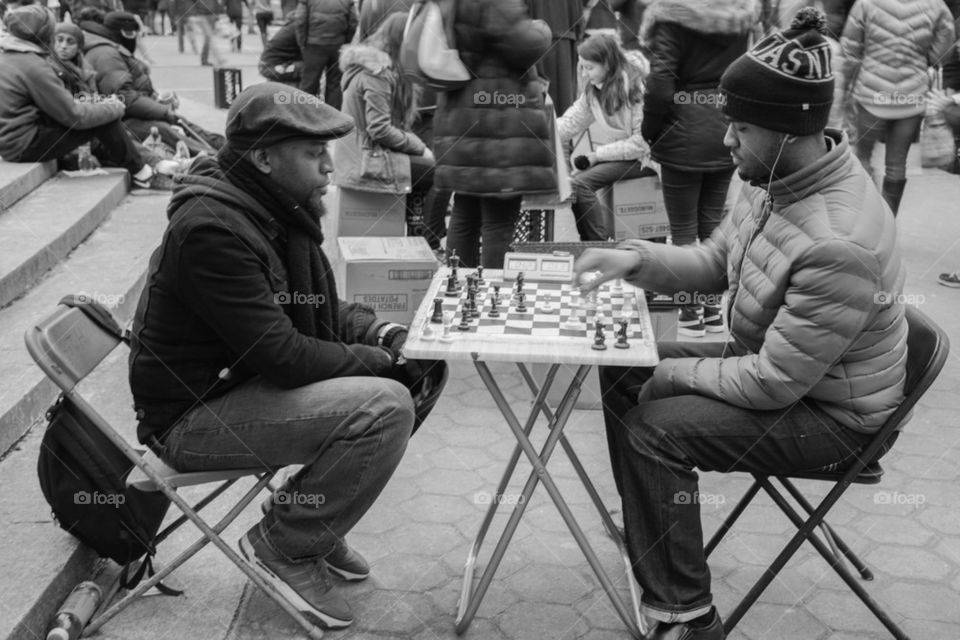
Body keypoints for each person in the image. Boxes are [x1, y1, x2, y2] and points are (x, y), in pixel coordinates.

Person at [577, 9, 907, 639]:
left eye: (741, 126)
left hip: (835, 418)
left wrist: (672, 375)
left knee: (653, 427)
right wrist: (633, 258)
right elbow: (715, 258)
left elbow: (772, 385)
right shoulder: (774, 176)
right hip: (789, 370)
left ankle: (687, 614)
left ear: (789, 131)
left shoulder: (836, 242)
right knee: (622, 358)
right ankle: (654, 529)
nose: (726, 140)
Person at [128, 81, 446, 630]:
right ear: (265, 159)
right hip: (191, 419)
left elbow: (316, 306)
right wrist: (383, 364)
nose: (329, 166)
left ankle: (312, 524)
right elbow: (284, 355)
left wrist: (386, 334)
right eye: (313, 153)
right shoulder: (214, 229)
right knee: (384, 405)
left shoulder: (269, 205)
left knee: (415, 372)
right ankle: (287, 543)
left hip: (236, 390)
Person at [639, 0, 754, 337]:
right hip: (724, 127)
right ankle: (713, 312)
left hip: (681, 133)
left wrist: (649, 131)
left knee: (684, 229)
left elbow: (659, 86)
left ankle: (689, 313)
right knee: (711, 224)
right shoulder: (738, 18)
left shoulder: (671, 17)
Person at [432, 0, 554, 269]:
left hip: (464, 116)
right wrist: (541, 30)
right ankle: (492, 301)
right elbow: (524, 44)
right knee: (498, 219)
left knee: (466, 210)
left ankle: (458, 293)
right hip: (496, 126)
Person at [0, 5, 164, 188]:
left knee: (102, 116)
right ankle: (143, 174)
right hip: (25, 145)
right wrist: (113, 107)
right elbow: (75, 115)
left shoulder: (11, 57)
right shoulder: (32, 65)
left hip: (14, 142)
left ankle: (145, 167)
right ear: (43, 32)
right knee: (105, 120)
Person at [332, 13, 449, 249]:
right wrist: (421, 148)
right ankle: (430, 241)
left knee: (428, 170)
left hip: (364, 153)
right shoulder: (378, 73)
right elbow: (380, 129)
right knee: (443, 174)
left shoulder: (374, 66)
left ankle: (420, 237)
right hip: (366, 158)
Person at [840, 0, 955, 215]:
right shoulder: (936, 6)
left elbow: (850, 48)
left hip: (871, 95)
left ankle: (869, 215)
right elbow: (943, 54)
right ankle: (888, 219)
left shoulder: (865, 3)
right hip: (911, 98)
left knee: (863, 156)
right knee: (896, 163)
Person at [555, 34, 655, 242]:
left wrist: (598, 155)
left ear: (608, 64)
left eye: (589, 68)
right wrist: (539, 129)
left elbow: (641, 143)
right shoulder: (595, 90)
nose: (584, 74)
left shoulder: (637, 87)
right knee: (575, 183)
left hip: (647, 157)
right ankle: (591, 244)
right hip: (625, 154)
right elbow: (570, 123)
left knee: (580, 184)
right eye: (581, 67)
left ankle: (598, 246)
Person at [81, 11, 223, 155]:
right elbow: (125, 97)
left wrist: (157, 101)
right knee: (168, 130)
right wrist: (163, 111)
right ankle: (217, 160)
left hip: (131, 116)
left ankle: (226, 151)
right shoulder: (106, 54)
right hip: (123, 121)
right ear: (124, 33)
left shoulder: (111, 50)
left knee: (188, 127)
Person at [294, 0, 356, 109]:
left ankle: (305, 114)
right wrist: (346, 42)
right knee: (335, 84)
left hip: (313, 44)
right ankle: (332, 118)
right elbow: (353, 21)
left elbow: (300, 20)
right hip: (337, 44)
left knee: (309, 82)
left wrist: (302, 42)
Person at [527, 0, 582, 116]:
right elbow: (579, 18)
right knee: (565, 101)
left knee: (540, 99)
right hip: (566, 43)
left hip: (537, 41)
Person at [258, 18, 302, 85]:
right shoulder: (299, 27)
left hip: (272, 65)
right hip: (271, 67)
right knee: (308, 68)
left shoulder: (296, 24)